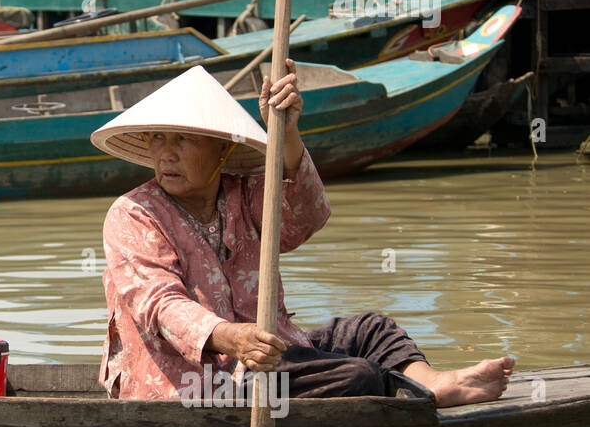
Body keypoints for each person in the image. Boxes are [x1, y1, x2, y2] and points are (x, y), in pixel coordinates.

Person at [90, 62, 515, 406]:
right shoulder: (133, 214)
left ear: (221, 148)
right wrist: (232, 338)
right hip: (196, 384)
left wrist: (288, 132)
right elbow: (160, 305)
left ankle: (433, 384)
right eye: (158, 139)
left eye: (182, 139)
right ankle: (400, 396)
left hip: (268, 355)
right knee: (357, 376)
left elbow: (306, 217)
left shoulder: (247, 194)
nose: (166, 153)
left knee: (370, 330)